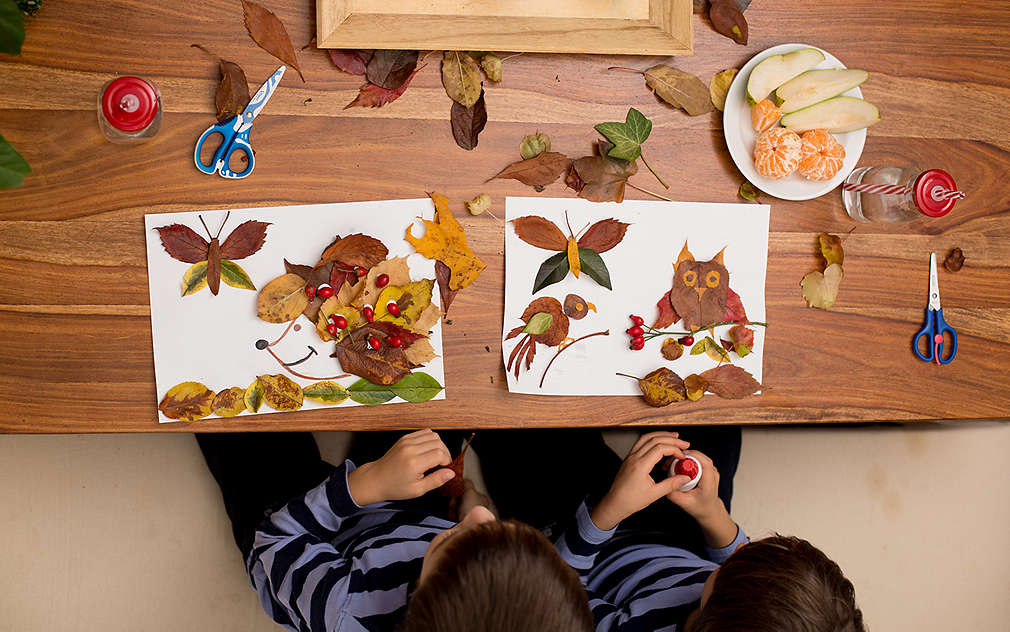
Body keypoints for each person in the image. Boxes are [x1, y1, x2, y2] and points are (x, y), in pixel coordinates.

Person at [196, 429, 594, 632]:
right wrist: (458, 523)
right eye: (502, 529)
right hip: (404, 518)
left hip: (298, 537)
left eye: (465, 535)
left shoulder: (345, 608)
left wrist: (364, 487)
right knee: (426, 377)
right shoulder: (533, 605)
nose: (484, 516)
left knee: (235, 415)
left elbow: (277, 537)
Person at [475, 427, 865, 632]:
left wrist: (609, 511)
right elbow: (739, 559)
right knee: (715, 415)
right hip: (680, 537)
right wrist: (712, 512)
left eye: (721, 575)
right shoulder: (746, 596)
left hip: (579, 549)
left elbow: (549, 591)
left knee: (536, 437)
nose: (733, 560)